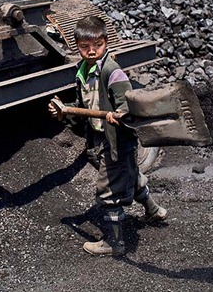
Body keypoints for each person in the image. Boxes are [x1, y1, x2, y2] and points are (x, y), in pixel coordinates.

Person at [49, 16, 167, 256]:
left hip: (117, 140)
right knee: (131, 175)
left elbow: (128, 104)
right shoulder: (82, 71)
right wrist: (64, 112)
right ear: (77, 47)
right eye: (85, 47)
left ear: (106, 43)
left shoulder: (113, 72)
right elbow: (85, 105)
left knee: (108, 190)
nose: (92, 51)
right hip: (100, 138)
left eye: (98, 45)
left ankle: (115, 243)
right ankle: (154, 211)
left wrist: (119, 114)